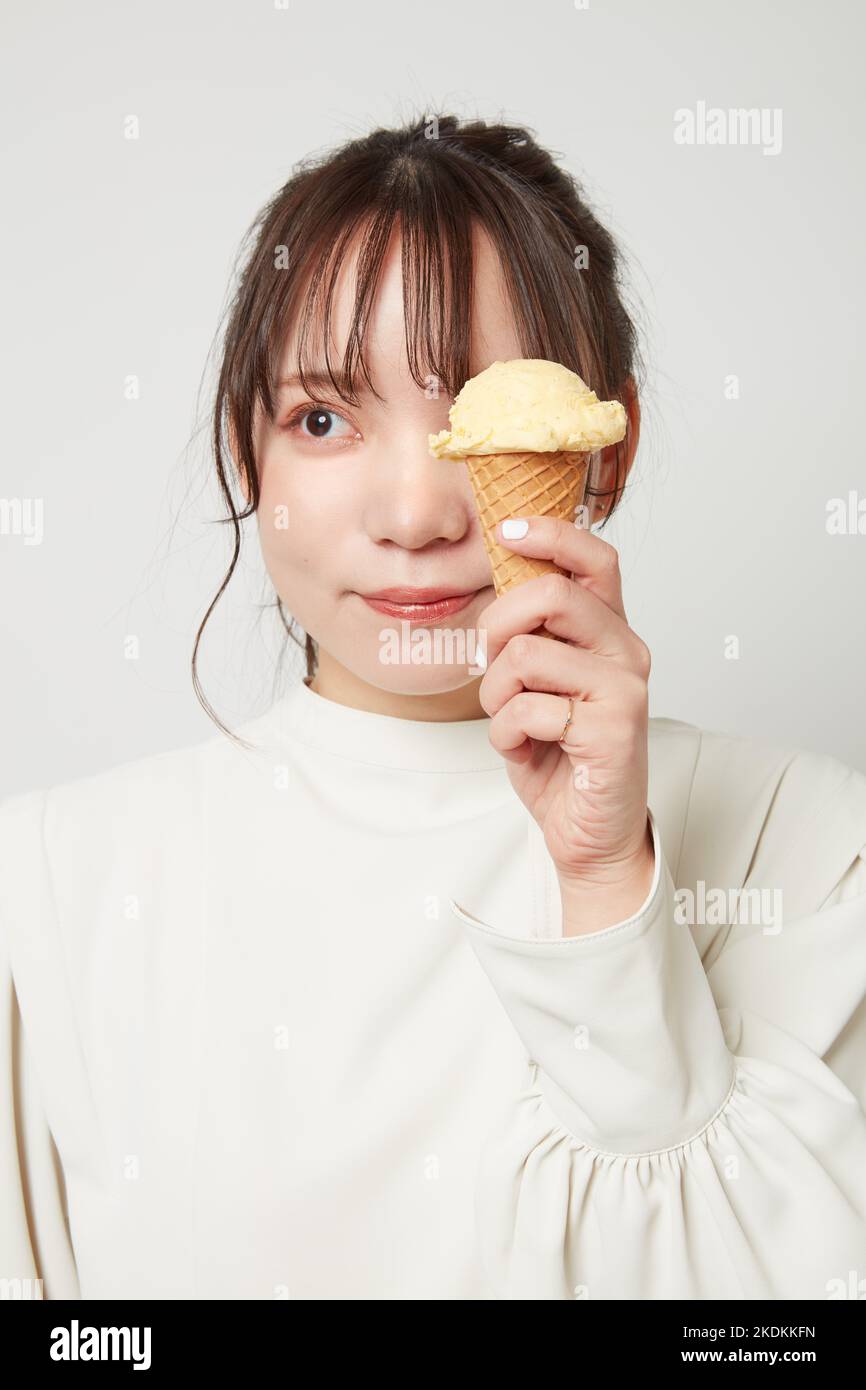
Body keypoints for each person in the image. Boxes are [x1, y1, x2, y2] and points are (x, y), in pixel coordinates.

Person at [2, 113, 865, 1302]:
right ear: (244, 451)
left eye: (477, 419)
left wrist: (607, 886)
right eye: (321, 419)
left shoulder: (813, 846)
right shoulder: (50, 883)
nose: (415, 515)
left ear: (599, 449)